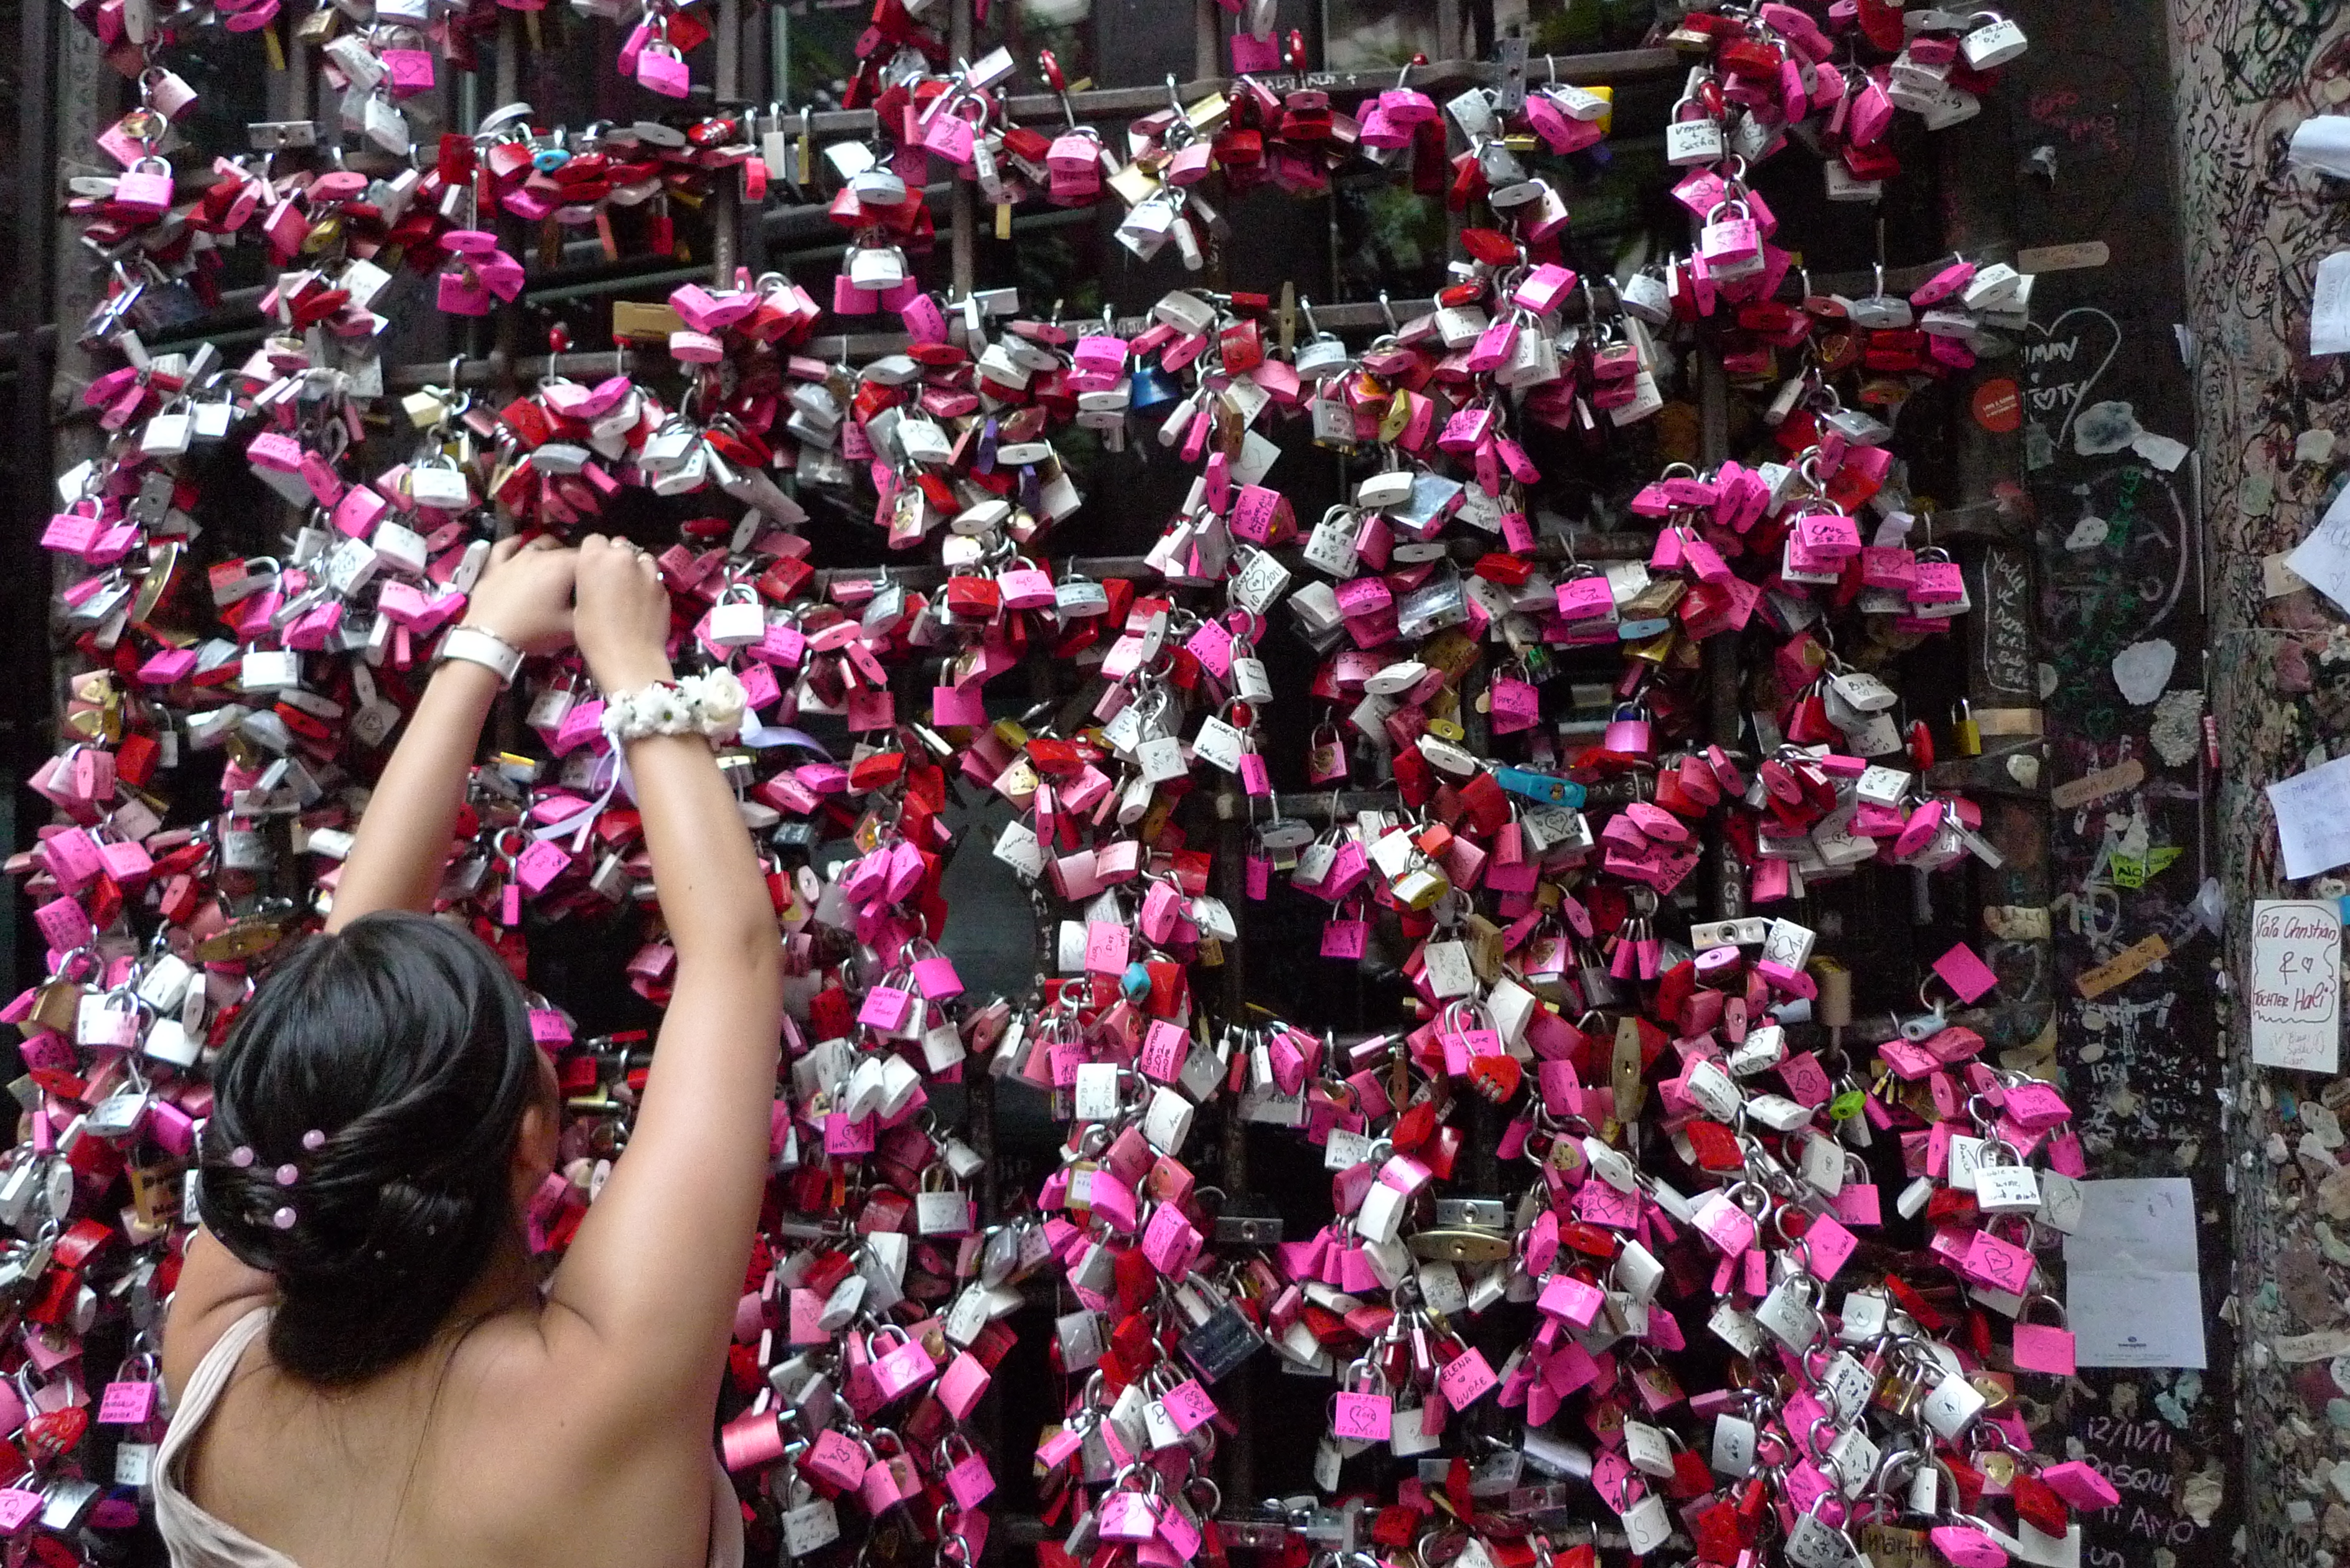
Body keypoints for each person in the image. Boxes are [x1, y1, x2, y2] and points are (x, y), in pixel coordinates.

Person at [155, 534, 784, 1568]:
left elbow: (351, 975)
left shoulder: (219, 1364)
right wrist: (625, 661)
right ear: (534, 1133)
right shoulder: (595, 1389)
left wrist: (484, 647)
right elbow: (735, 957)